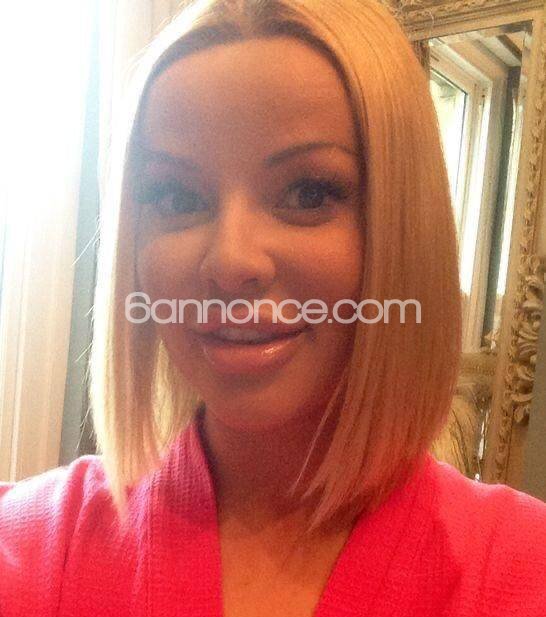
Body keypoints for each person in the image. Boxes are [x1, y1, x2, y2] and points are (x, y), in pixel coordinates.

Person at [1, 0, 546, 615]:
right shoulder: (29, 548)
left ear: (404, 227)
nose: (230, 261)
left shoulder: (526, 568)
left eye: (308, 193)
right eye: (177, 196)